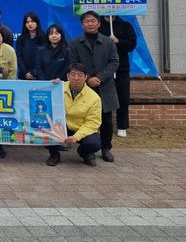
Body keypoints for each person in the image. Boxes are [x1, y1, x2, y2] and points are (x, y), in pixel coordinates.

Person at [69, 10, 120, 162]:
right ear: (82, 24)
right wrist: (88, 79)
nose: (90, 23)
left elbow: (114, 62)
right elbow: (72, 64)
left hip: (105, 86)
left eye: (93, 21)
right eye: (86, 21)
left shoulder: (108, 42)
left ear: (98, 23)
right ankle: (87, 149)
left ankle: (106, 148)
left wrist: (99, 77)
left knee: (106, 120)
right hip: (84, 87)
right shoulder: (75, 43)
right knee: (83, 119)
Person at [46, 63, 102, 167]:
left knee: (94, 143)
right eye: (73, 74)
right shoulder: (58, 88)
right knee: (47, 129)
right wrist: (51, 85)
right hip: (62, 126)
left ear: (85, 77)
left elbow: (93, 123)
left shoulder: (94, 98)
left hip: (81, 128)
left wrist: (76, 137)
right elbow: (44, 98)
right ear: (68, 76)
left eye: (80, 75)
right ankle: (54, 155)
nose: (76, 78)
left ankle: (84, 153)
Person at [99, 15, 137, 138]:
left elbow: (132, 44)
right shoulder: (98, 25)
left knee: (123, 97)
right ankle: (100, 125)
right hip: (103, 69)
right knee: (102, 98)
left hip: (122, 68)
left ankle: (122, 126)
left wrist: (118, 41)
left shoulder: (125, 25)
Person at [16, 12, 46, 80]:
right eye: (27, 22)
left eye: (32, 21)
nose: (30, 24)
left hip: (40, 75)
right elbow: (19, 57)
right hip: (23, 75)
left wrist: (34, 72)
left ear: (37, 22)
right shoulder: (21, 39)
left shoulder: (44, 37)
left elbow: (45, 57)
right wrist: (25, 73)